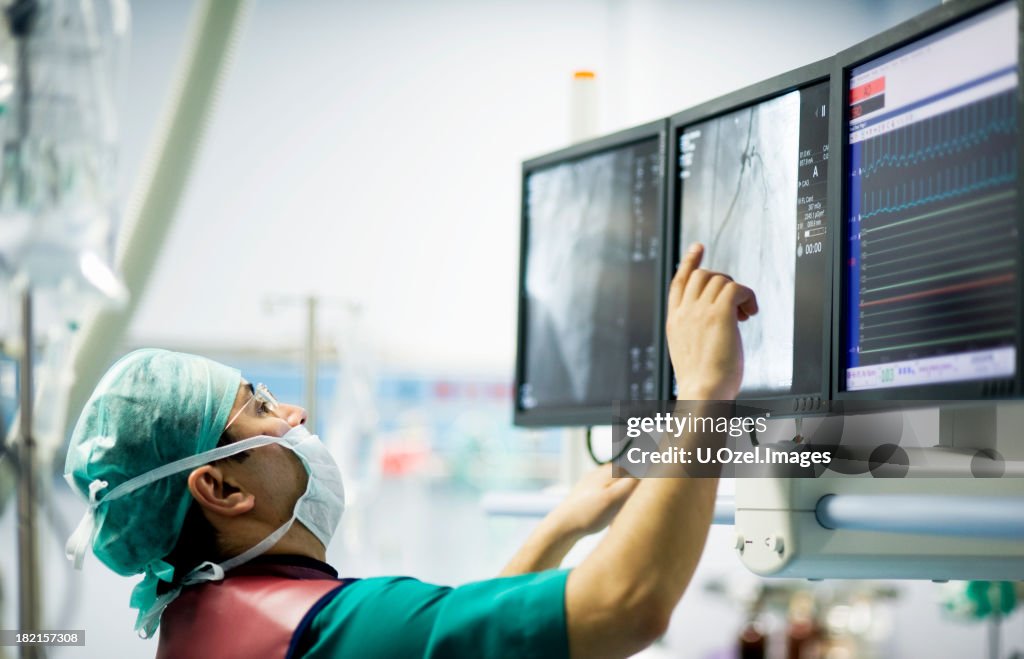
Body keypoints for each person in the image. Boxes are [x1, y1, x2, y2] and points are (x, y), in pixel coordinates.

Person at [64, 242, 757, 658]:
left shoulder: (201, 615)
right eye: (263, 408)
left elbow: (456, 641)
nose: (297, 412)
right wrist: (703, 388)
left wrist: (562, 525)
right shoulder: (332, 629)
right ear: (218, 488)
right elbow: (628, 603)